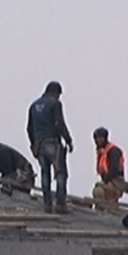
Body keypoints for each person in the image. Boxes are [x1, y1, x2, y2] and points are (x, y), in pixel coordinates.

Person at [26, 81, 74, 214]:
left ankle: (47, 204)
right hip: (52, 142)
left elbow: (29, 128)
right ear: (56, 93)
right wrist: (68, 140)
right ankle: (60, 204)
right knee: (60, 173)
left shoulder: (33, 105)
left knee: (45, 173)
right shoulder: (55, 104)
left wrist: (33, 145)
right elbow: (59, 123)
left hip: (39, 144)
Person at [91, 127, 128, 206]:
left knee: (98, 191)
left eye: (100, 138)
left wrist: (105, 181)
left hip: (116, 182)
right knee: (99, 190)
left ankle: (103, 211)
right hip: (109, 181)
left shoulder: (113, 151)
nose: (98, 140)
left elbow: (114, 169)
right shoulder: (102, 152)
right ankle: (105, 209)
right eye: (96, 138)